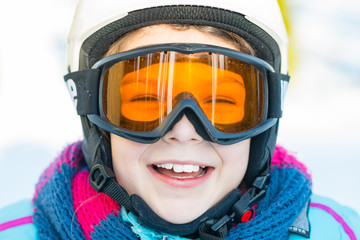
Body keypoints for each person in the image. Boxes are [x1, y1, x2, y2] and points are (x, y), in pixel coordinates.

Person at [0, 0, 359, 239]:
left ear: (266, 116)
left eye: (222, 104)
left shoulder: (337, 231)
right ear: (92, 110)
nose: (184, 131)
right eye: (143, 101)